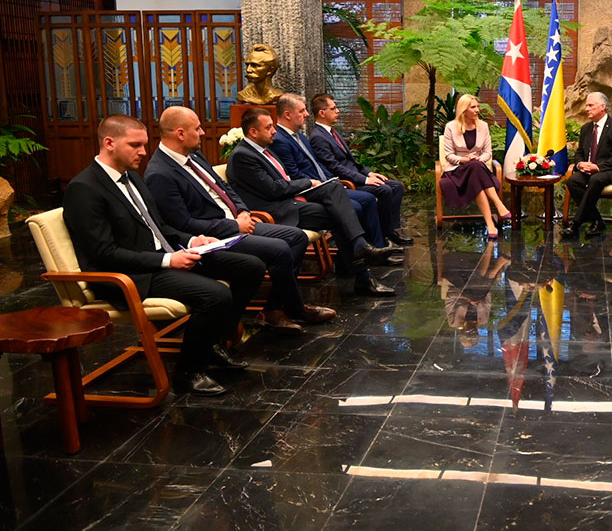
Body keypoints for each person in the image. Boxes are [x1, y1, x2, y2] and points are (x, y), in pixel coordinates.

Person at [63, 115, 267, 396]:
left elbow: (159, 227)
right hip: (131, 274)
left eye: (144, 145)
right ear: (109, 143)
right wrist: (167, 261)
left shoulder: (132, 177)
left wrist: (193, 240)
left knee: (251, 267)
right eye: (135, 145)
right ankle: (189, 372)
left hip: (163, 258)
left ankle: (212, 344)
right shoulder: (84, 188)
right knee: (215, 295)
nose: (143, 152)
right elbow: (104, 253)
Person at [145, 106, 337, 336]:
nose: (203, 132)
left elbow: (224, 187)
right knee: (278, 249)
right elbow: (182, 224)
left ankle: (276, 308)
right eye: (197, 128)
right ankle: (287, 309)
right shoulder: (160, 174)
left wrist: (243, 211)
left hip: (237, 221)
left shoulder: (193, 155)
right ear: (180, 133)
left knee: (295, 237)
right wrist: (234, 226)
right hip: (214, 235)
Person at [226, 107, 399, 297]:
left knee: (334, 192)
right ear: (253, 131)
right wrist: (307, 182)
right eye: (268, 127)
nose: (274, 131)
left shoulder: (264, 150)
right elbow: (273, 189)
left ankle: (361, 259)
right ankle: (362, 262)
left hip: (290, 202)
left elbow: (284, 181)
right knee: (338, 209)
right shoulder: (243, 156)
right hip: (276, 211)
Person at [269, 93, 388, 249]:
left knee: (368, 199)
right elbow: (294, 174)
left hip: (326, 185)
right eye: (302, 111)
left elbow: (318, 164)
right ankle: (353, 257)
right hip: (310, 190)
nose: (306, 115)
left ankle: (374, 247)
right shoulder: (280, 140)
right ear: (287, 115)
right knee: (357, 205)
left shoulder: (301, 138)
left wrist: (333, 181)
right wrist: (325, 184)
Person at [309, 93, 412, 246]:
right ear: (322, 113)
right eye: (333, 108)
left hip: (357, 176)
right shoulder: (318, 137)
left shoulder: (333, 132)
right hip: (348, 183)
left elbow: (351, 162)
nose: (338, 111)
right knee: (385, 190)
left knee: (396, 186)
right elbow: (334, 167)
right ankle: (382, 237)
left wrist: (369, 172)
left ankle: (389, 231)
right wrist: (365, 180)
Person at [440, 94, 512, 239]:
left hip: (477, 169)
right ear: (463, 110)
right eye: (473, 107)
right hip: (457, 170)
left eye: (477, 106)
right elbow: (448, 155)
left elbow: (488, 153)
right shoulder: (451, 127)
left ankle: (490, 225)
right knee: (474, 167)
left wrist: (477, 159)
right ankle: (499, 205)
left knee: (476, 169)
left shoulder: (483, 126)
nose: (477, 110)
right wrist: (464, 160)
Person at [560, 91, 612, 238]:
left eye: (591, 105)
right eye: (587, 106)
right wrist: (580, 165)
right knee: (573, 181)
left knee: (596, 179)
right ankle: (597, 220)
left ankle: (576, 224)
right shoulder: (586, 128)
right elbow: (579, 152)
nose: (587, 109)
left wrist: (598, 167)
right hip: (589, 170)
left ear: (602, 106)